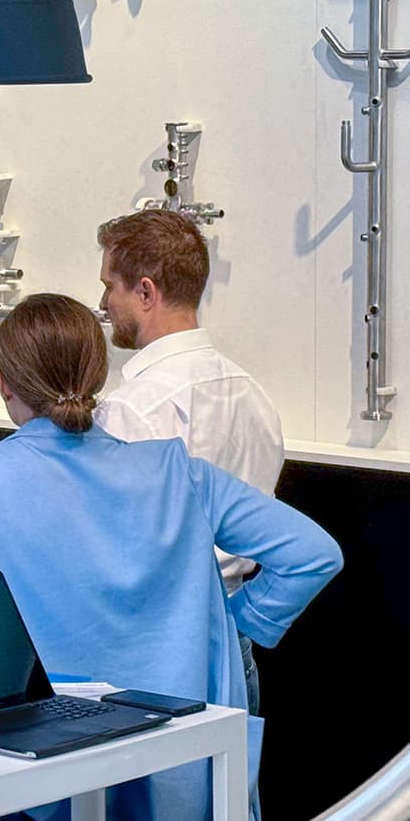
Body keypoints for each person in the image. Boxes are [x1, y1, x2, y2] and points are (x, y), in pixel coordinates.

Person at [0, 293, 343, 821]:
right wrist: (229, 623)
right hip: (174, 771)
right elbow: (314, 555)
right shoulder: (178, 471)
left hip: (37, 779)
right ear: (99, 377)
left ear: (3, 384)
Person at [92, 209, 286, 716]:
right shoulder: (254, 395)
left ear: (147, 292)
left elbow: (117, 548)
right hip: (234, 640)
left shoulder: (130, 409)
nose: (103, 304)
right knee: (234, 794)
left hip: (154, 650)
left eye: (110, 286)